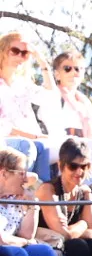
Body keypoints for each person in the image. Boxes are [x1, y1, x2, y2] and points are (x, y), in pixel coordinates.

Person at [37, 51, 92, 174]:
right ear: (57, 74)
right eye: (67, 69)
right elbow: (52, 127)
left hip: (84, 145)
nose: (74, 73)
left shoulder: (83, 101)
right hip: (60, 147)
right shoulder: (53, 96)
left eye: (78, 69)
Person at [0, 31, 50, 180]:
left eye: (25, 53)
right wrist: (34, 136)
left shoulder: (22, 84)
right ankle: (17, 195)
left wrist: (42, 61)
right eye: (15, 51)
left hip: (32, 139)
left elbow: (50, 96)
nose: (20, 57)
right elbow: (3, 126)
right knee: (29, 146)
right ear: (3, 51)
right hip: (6, 139)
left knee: (47, 148)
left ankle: (41, 197)